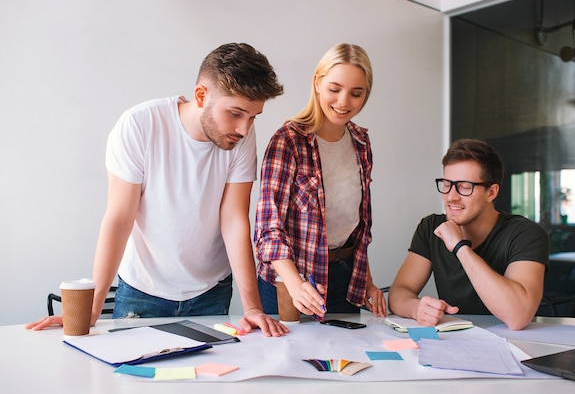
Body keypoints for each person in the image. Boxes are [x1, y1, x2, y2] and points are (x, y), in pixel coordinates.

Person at [27, 43, 288, 337]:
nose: (243, 128)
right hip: (143, 290)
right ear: (201, 96)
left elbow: (234, 219)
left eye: (253, 117)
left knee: (206, 378)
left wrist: (252, 308)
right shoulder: (139, 125)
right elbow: (119, 219)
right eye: (236, 113)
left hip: (212, 289)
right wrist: (93, 306)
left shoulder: (240, 136)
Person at [255, 43, 387, 319]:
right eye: (335, 89)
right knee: (289, 358)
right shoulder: (288, 140)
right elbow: (268, 228)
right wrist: (295, 285)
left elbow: (357, 225)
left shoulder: (361, 142)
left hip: (346, 276)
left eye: (356, 93)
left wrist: (369, 282)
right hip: (292, 280)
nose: (343, 102)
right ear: (317, 83)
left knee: (346, 359)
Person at [388, 138, 549, 330]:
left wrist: (460, 247)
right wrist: (417, 309)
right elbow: (398, 293)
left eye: (465, 187)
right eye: (447, 184)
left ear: (491, 192)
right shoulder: (431, 227)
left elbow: (517, 317)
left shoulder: (525, 234)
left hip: (512, 345)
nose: (451, 196)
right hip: (454, 340)